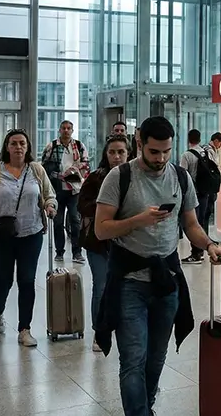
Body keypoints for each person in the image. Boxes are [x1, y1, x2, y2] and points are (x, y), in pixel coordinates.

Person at [93, 116, 221, 416]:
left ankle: (147, 407)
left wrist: (209, 245)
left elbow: (191, 223)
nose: (161, 158)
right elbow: (101, 229)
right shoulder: (119, 178)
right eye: (154, 152)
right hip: (130, 281)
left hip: (166, 280)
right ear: (140, 143)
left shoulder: (180, 178)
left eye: (166, 151)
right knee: (133, 360)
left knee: (156, 359)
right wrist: (137, 221)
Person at [0, 129, 57, 347]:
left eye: (22, 143)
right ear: (6, 147)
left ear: (28, 146)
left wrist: (50, 205)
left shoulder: (37, 170)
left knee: (27, 281)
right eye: (14, 143)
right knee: (3, 280)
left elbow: (50, 194)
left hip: (31, 233)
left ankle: (24, 328)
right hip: (1, 234)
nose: (18, 147)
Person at [78, 135, 129, 352]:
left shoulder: (136, 177)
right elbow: (82, 205)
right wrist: (105, 208)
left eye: (121, 152)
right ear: (105, 154)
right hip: (99, 242)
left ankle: (124, 328)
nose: (117, 157)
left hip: (126, 242)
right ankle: (100, 332)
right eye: (112, 152)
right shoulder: (96, 178)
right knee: (101, 286)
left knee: (126, 287)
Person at [41, 120, 90, 263]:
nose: (66, 131)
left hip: (74, 189)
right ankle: (59, 252)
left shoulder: (79, 146)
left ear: (72, 130)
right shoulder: (52, 146)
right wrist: (59, 175)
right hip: (57, 189)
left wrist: (76, 169)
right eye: (64, 128)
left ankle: (77, 251)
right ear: (59, 130)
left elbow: (86, 164)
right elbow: (44, 166)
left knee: (75, 219)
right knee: (57, 221)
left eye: (69, 128)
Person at [179, 130, 221, 264]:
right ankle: (204, 248)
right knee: (203, 221)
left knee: (193, 223)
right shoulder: (205, 152)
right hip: (205, 192)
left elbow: (182, 175)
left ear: (188, 139)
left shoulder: (187, 155)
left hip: (192, 193)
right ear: (200, 139)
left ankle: (196, 254)